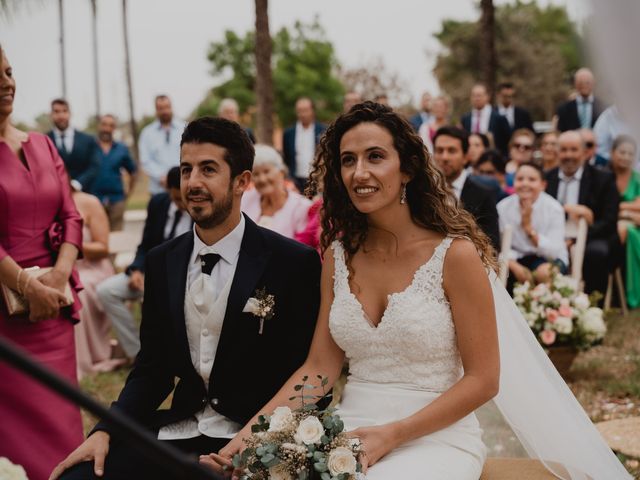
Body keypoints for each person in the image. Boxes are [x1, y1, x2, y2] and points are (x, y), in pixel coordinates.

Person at [213, 102, 630, 480]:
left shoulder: (456, 256)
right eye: (348, 160)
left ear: (407, 168)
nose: (360, 172)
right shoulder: (338, 257)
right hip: (348, 434)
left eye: (375, 157)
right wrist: (247, 439)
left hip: (437, 438)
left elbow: (484, 380)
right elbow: (319, 370)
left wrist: (392, 435)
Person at [52, 117, 322, 480]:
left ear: (243, 181)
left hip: (255, 440)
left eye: (208, 169)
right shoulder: (163, 260)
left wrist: (261, 449)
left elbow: (310, 381)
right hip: (177, 432)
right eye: (186, 169)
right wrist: (106, 430)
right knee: (78, 477)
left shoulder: (292, 263)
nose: (192, 182)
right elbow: (152, 370)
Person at [0, 44, 84, 480]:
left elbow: (71, 214)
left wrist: (56, 276)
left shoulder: (43, 143)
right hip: (6, 318)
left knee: (63, 423)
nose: (6, 83)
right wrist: (26, 286)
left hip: (54, 306)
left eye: (10, 71)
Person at [96, 166, 191, 362]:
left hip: (185, 279)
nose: (183, 204)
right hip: (151, 274)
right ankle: (139, 355)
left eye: (185, 198)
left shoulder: (200, 208)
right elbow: (146, 244)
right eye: (177, 198)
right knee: (106, 291)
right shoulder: (157, 203)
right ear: (168, 190)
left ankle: (174, 357)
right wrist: (136, 270)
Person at [545, 131, 620, 296]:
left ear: (584, 152)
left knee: (596, 253)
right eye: (564, 150)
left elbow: (609, 221)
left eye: (574, 149)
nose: (568, 155)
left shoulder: (604, 179)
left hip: (593, 237)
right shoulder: (547, 179)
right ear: (557, 152)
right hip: (554, 237)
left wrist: (576, 239)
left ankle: (591, 306)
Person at [71, 187, 117, 378]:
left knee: (75, 291)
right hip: (61, 269)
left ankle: (82, 360)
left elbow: (103, 248)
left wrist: (69, 245)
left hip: (92, 270)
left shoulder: (89, 202)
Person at [497, 162, 568, 286]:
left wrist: (528, 228)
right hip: (515, 258)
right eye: (520, 179)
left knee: (544, 273)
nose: (525, 183)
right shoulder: (503, 207)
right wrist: (513, 265)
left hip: (548, 258)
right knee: (496, 269)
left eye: (532, 179)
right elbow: (500, 245)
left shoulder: (554, 208)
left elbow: (554, 252)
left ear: (543, 185)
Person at [432, 126, 501, 252]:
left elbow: (492, 244)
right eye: (439, 150)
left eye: (451, 151)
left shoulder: (483, 193)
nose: (444, 157)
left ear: (466, 157)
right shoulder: (424, 191)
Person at [241, 144, 312, 239]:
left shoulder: (302, 207)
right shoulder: (244, 200)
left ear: (281, 172)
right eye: (256, 174)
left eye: (266, 171)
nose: (262, 179)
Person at [91, 114, 137, 231]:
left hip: (116, 200)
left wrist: (128, 193)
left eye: (111, 125)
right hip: (95, 200)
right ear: (99, 126)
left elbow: (133, 172)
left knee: (116, 240)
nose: (107, 128)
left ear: (114, 128)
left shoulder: (122, 149)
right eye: (104, 124)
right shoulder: (89, 147)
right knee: (97, 238)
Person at [609, 135, 640, 308]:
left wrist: (621, 209)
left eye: (630, 154)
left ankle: (633, 294)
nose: (626, 157)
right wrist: (629, 207)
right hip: (612, 224)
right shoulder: (604, 175)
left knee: (633, 234)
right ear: (612, 153)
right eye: (622, 152)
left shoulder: (637, 178)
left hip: (634, 225)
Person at [47, 98, 100, 194]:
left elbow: (94, 166)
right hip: (54, 195)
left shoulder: (88, 140)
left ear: (70, 113)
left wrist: (77, 184)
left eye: (64, 111)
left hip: (83, 193)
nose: (61, 115)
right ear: (51, 115)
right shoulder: (43, 140)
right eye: (56, 111)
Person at [138, 94, 186, 195]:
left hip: (182, 187)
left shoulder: (185, 128)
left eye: (167, 107)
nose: (165, 111)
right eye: (161, 108)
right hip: (158, 189)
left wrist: (179, 176)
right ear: (156, 110)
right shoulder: (147, 133)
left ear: (171, 107)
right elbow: (145, 160)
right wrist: (162, 177)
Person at [282, 97, 326, 192]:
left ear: (312, 111)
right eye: (299, 111)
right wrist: (289, 179)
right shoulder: (288, 133)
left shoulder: (323, 130)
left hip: (317, 180)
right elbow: (286, 158)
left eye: (305, 110)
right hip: (295, 181)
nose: (302, 114)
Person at [460, 83, 511, 155]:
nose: (477, 98)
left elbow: (507, 142)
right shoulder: (465, 118)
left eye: (479, 95)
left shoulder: (499, 118)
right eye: (474, 95)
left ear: (487, 96)